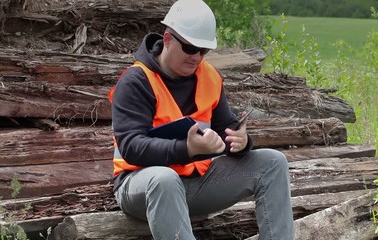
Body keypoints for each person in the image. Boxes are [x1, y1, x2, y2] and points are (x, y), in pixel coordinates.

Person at [108, 0, 295, 239]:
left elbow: (225, 131)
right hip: (139, 185)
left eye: (203, 51)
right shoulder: (136, 81)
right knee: (164, 179)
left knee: (273, 162)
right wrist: (186, 148)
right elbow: (132, 148)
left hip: (196, 183)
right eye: (189, 48)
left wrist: (241, 141)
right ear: (167, 39)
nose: (196, 57)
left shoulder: (210, 77)